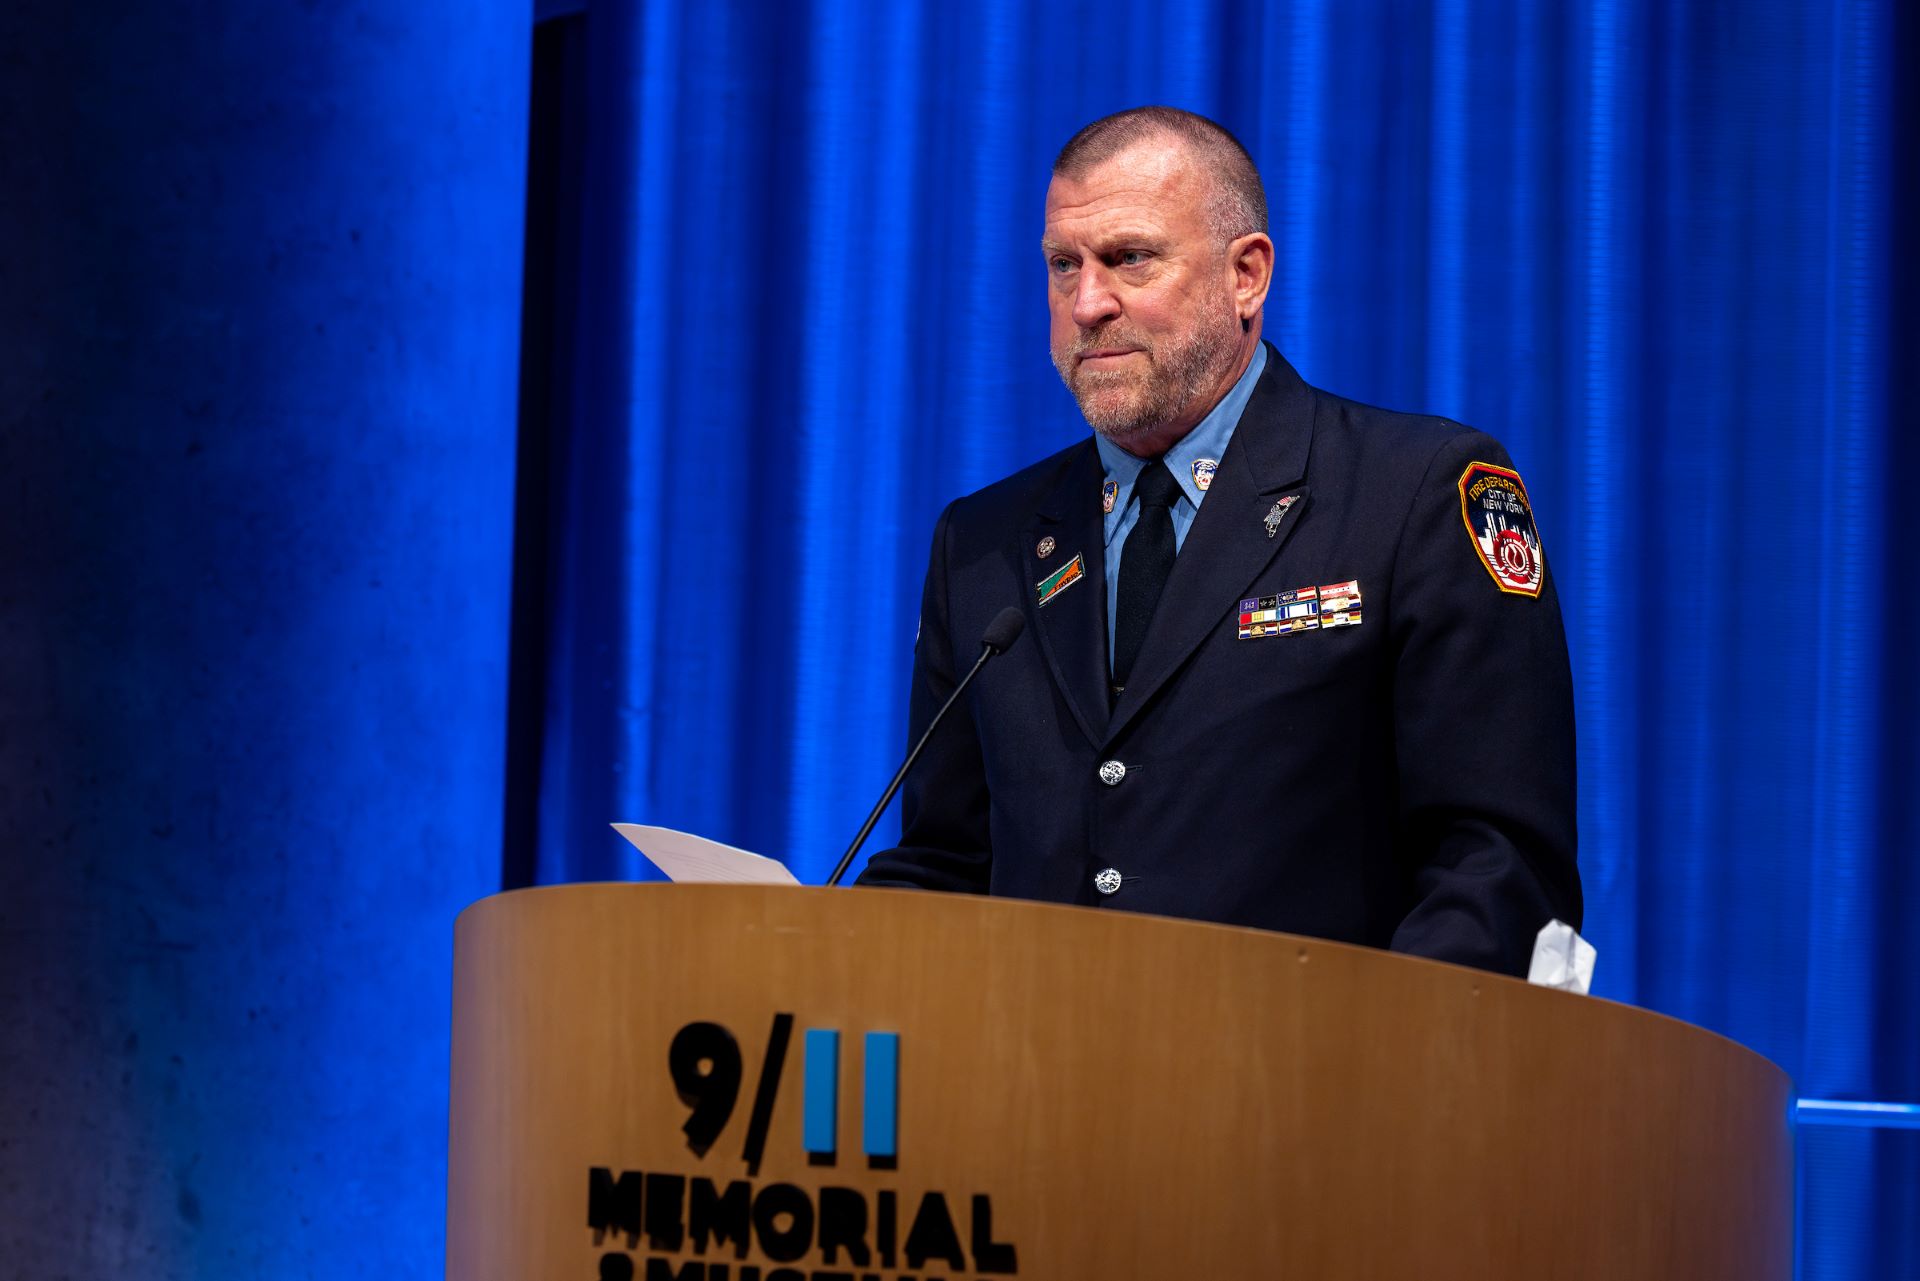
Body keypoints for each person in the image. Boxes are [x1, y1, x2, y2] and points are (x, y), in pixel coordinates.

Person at [856, 107, 1580, 977]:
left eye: (1129, 258)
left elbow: (1499, 866)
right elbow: (947, 861)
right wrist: (805, 959)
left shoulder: (1415, 494)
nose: (1087, 304)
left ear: (1248, 275)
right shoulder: (985, 543)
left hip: (1317, 1093)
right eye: (1062, 266)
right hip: (1038, 1094)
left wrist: (1378, 1079)